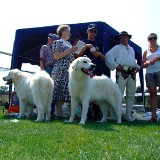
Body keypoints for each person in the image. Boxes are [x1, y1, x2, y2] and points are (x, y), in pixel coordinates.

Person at [105, 31, 140, 121]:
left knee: (131, 94)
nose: (123, 38)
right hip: (122, 72)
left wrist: (136, 67)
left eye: (124, 37)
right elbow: (108, 56)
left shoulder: (131, 49)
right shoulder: (117, 48)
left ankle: (128, 116)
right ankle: (117, 116)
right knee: (119, 93)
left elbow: (131, 61)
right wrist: (116, 65)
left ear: (128, 38)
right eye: (121, 37)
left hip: (132, 73)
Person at [76, 23, 105, 120]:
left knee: (96, 91)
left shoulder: (99, 43)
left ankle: (97, 114)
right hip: (84, 72)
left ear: (96, 33)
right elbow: (76, 57)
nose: (92, 33)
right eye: (91, 31)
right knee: (84, 92)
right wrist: (85, 47)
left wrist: (99, 54)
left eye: (94, 31)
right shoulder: (81, 43)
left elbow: (104, 58)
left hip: (96, 70)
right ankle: (86, 114)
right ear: (87, 31)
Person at [51, 24, 78, 119]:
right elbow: (56, 56)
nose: (70, 33)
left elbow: (71, 57)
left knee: (69, 92)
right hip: (60, 70)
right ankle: (58, 114)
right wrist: (70, 50)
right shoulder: (57, 42)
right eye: (68, 31)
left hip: (69, 71)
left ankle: (72, 115)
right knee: (58, 92)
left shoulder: (69, 44)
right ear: (62, 32)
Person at [40, 33, 59, 118]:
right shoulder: (44, 47)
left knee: (53, 91)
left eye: (55, 40)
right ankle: (43, 112)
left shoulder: (58, 48)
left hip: (56, 69)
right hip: (48, 69)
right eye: (52, 39)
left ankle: (50, 113)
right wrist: (42, 71)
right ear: (49, 39)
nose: (54, 41)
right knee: (45, 91)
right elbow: (42, 60)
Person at [142, 33, 160, 122]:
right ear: (148, 40)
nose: (152, 40)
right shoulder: (146, 51)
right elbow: (143, 65)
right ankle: (153, 117)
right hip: (149, 73)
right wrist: (149, 63)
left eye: (154, 38)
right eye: (150, 38)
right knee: (152, 94)